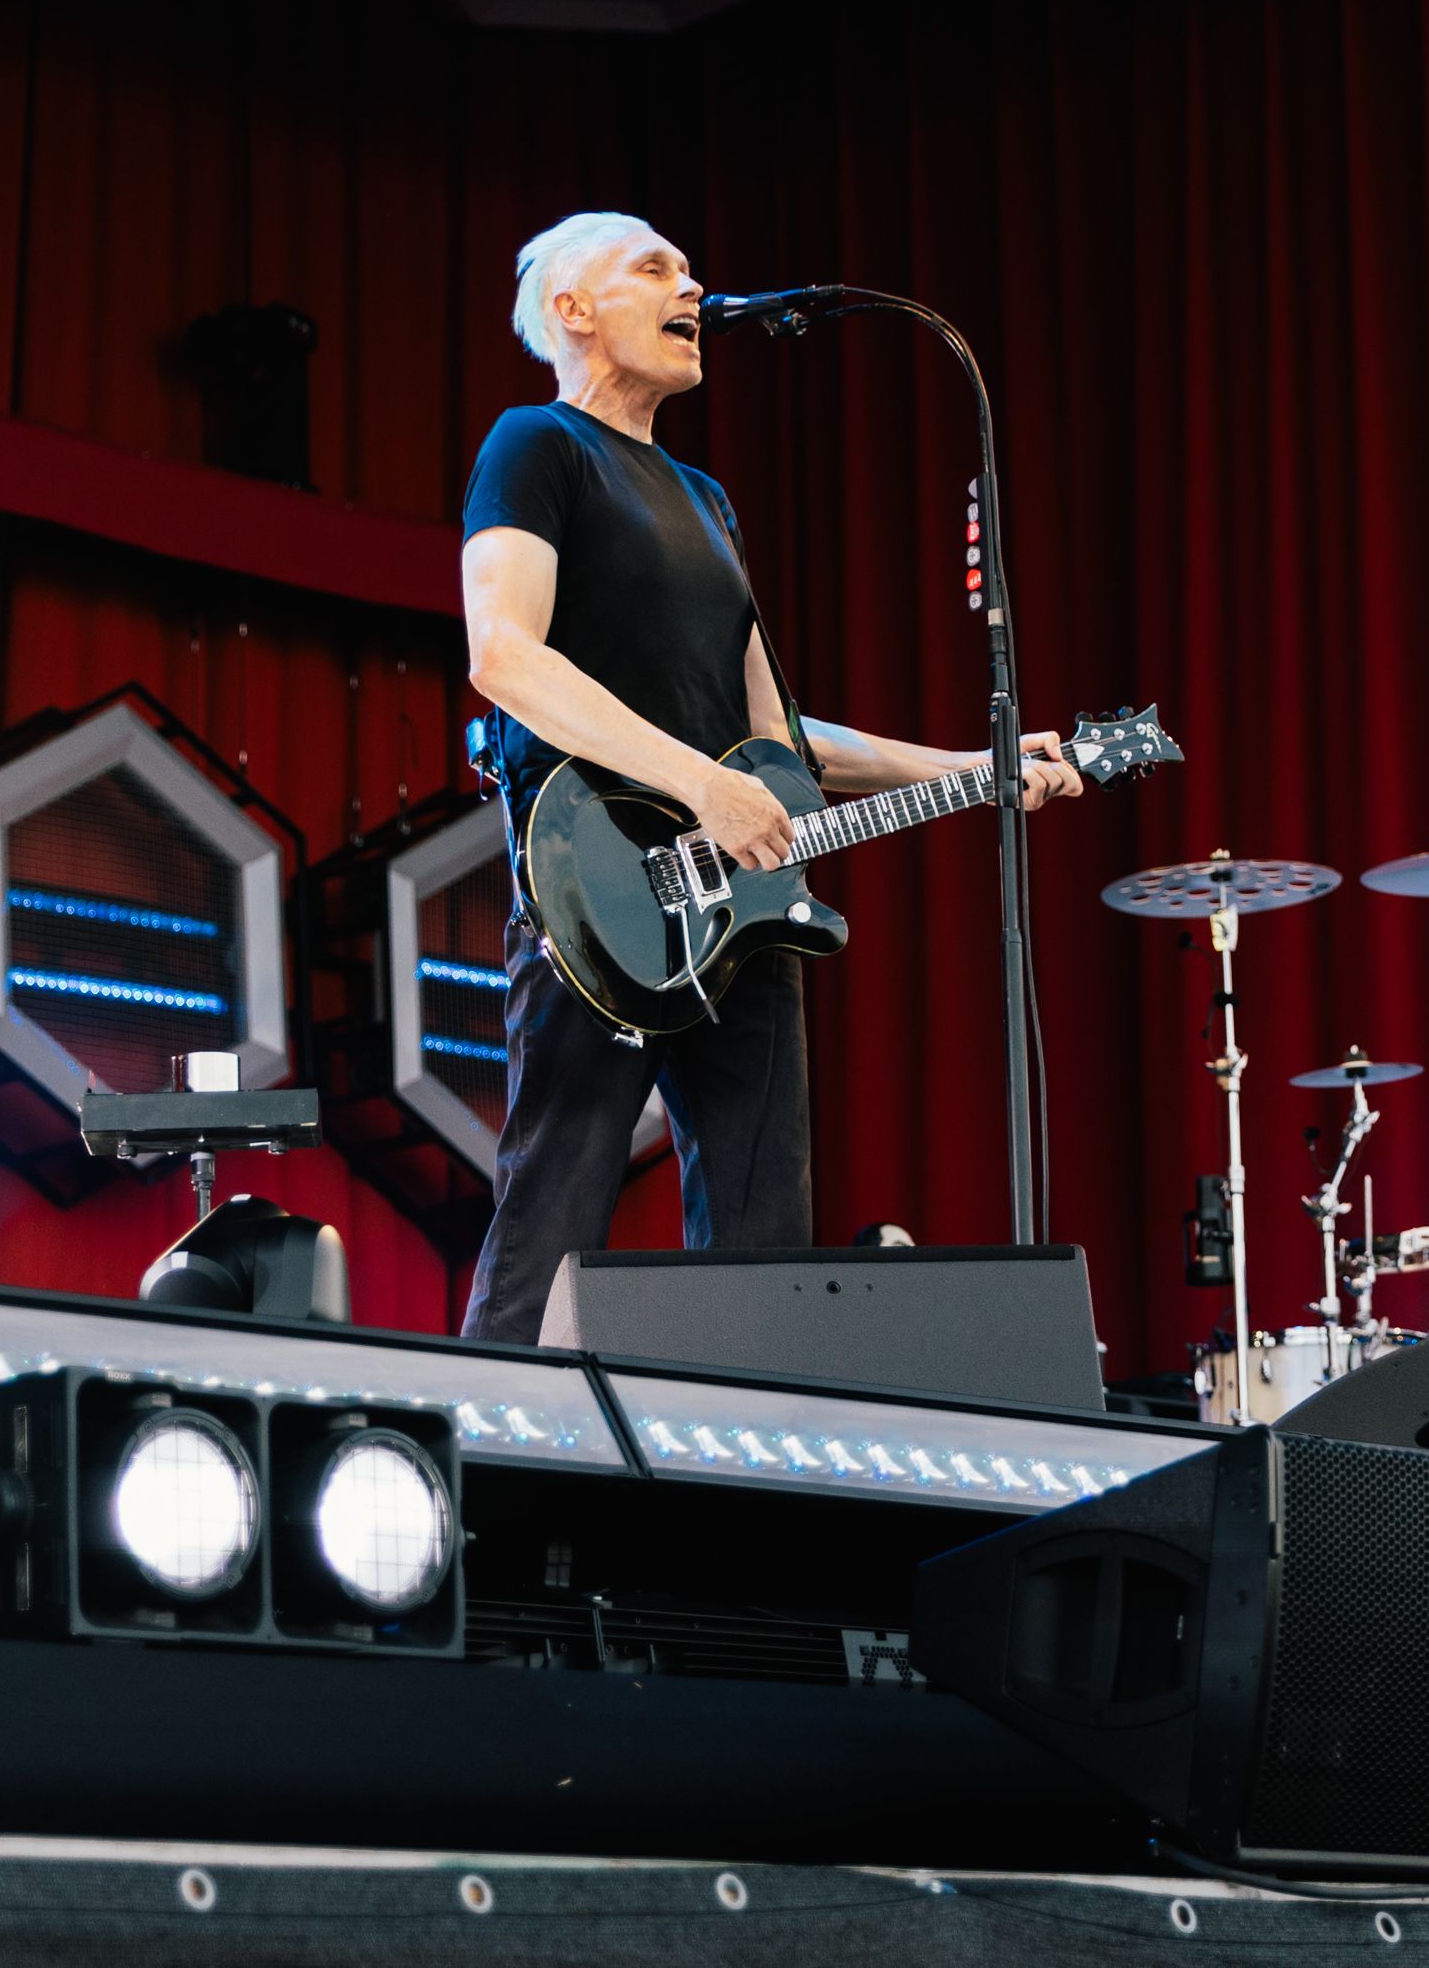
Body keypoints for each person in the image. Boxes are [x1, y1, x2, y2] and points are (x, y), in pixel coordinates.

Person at [455, 211, 1083, 1342]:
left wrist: (975, 766)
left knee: (763, 1229)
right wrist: (701, 785)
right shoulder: (535, 445)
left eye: (693, 270)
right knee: (554, 1203)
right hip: (600, 888)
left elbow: (777, 746)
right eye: (656, 269)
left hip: (738, 905)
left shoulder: (707, 500)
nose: (693, 288)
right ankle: (476, 1479)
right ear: (572, 309)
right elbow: (503, 656)